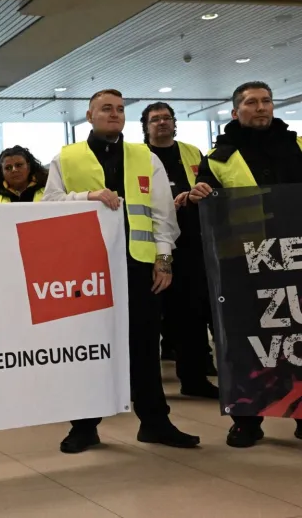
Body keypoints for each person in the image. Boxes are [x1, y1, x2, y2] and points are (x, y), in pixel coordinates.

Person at [43, 89, 200, 453]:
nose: (114, 114)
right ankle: (84, 425)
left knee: (146, 345)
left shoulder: (144, 156)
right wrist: (86, 197)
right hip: (86, 267)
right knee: (89, 346)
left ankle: (155, 422)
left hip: (139, 264)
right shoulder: (67, 157)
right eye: (106, 109)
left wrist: (164, 259)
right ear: (89, 116)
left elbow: (163, 213)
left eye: (119, 109)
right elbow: (48, 204)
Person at [189, 81, 302, 447]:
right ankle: (247, 420)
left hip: (297, 259)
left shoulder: (298, 146)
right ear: (236, 112)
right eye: (251, 102)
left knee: (298, 338)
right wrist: (198, 193)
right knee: (245, 341)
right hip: (245, 265)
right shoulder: (218, 158)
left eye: (266, 101)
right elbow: (204, 199)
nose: (261, 107)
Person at [141, 102, 219, 399]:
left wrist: (197, 193)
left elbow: (207, 184)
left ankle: (195, 378)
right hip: (150, 245)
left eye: (167, 118)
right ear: (146, 127)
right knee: (151, 318)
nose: (162, 123)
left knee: (192, 314)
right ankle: (144, 386)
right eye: (155, 119)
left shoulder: (192, 152)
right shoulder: (138, 157)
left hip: (190, 243)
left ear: (175, 123)